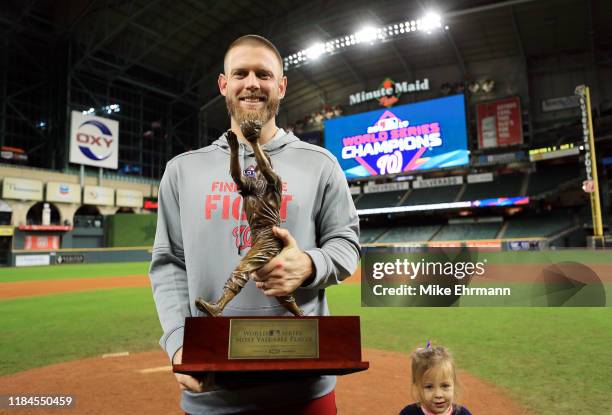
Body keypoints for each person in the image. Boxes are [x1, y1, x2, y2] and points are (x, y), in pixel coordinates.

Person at [149, 34, 360, 415]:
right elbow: (169, 264)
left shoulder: (320, 163)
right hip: (212, 389)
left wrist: (310, 265)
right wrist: (180, 343)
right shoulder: (182, 170)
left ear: (281, 85)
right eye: (240, 73)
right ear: (223, 84)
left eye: (264, 74)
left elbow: (346, 244)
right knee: (246, 273)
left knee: (260, 278)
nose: (251, 83)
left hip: (305, 386)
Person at [400, 344, 472, 415]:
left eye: (445, 386)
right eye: (429, 387)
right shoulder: (408, 413)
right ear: (417, 387)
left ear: (454, 384)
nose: (438, 394)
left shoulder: (463, 413)